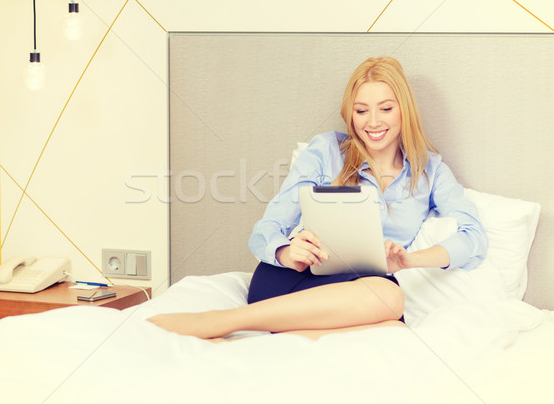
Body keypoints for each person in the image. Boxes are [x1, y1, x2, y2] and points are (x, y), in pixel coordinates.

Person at [148, 57, 488, 340]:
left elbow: (473, 238)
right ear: (349, 114)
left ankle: (267, 335)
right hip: (296, 277)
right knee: (389, 301)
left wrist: (409, 261)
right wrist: (285, 250)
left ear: (405, 110)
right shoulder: (326, 150)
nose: (373, 122)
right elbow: (268, 228)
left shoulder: (430, 170)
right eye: (361, 111)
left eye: (385, 108)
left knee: (391, 323)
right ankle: (225, 321)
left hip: (359, 290)